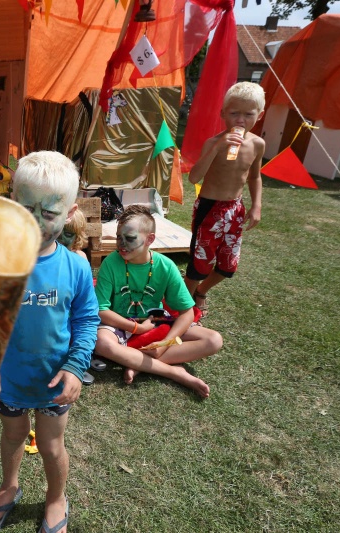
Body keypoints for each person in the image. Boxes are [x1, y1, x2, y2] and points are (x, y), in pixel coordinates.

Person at [0, 151, 99, 533]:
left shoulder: (76, 266)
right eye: (27, 208)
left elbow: (86, 319)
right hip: (10, 381)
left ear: (69, 212)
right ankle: (9, 487)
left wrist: (76, 366)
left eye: (49, 213)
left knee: (50, 447)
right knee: (12, 437)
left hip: (52, 384)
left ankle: (55, 498)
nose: (36, 221)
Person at [94, 205, 223, 398]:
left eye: (129, 238)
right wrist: (137, 329)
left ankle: (137, 362)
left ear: (150, 239)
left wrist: (164, 343)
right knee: (101, 342)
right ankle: (173, 371)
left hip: (157, 323)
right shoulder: (111, 263)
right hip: (119, 325)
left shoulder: (166, 266)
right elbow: (101, 310)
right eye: (118, 237)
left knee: (213, 340)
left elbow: (187, 312)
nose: (121, 244)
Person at [184, 81, 266, 317]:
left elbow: (255, 177)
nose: (240, 120)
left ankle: (200, 291)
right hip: (210, 208)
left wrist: (256, 205)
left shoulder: (257, 144)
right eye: (234, 113)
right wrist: (218, 147)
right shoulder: (213, 143)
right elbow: (194, 177)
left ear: (259, 116)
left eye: (248, 114)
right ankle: (183, 303)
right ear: (223, 114)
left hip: (235, 209)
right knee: (199, 263)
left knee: (227, 266)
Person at [58, 209, 107, 378]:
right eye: (60, 232)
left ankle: (78, 361)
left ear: (78, 236)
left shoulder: (79, 259)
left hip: (74, 312)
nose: (62, 239)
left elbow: (84, 303)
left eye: (69, 234)